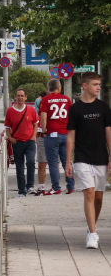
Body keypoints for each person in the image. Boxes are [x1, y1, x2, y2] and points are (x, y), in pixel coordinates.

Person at [65, 72, 111, 249]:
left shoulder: (103, 108)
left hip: (101, 157)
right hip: (82, 157)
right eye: (95, 84)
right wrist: (68, 161)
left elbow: (109, 133)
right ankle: (93, 234)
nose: (98, 87)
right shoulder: (75, 109)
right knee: (90, 193)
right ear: (84, 86)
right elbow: (71, 136)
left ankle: (91, 226)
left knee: (99, 196)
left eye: (99, 84)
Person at [38, 78, 75, 195]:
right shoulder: (66, 99)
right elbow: (72, 116)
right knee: (67, 161)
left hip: (52, 134)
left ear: (48, 89)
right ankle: (71, 186)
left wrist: (44, 131)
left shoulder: (45, 100)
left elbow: (43, 117)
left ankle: (56, 187)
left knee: (53, 162)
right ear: (59, 88)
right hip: (65, 134)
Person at [5, 88, 39, 198]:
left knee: (30, 162)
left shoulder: (31, 110)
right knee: (19, 167)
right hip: (17, 142)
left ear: (26, 98)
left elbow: (35, 124)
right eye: (18, 96)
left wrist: (33, 137)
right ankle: (21, 190)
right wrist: (10, 138)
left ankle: (30, 186)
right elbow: (7, 127)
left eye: (22, 96)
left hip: (30, 142)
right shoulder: (10, 111)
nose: (20, 98)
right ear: (15, 97)